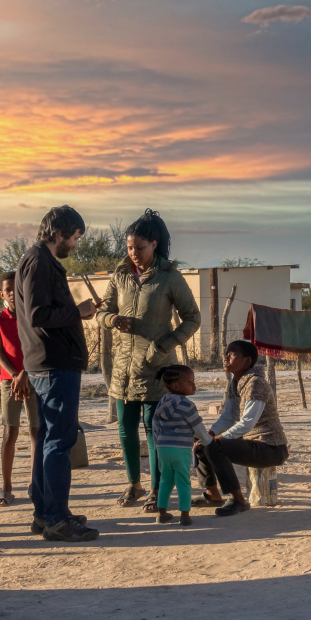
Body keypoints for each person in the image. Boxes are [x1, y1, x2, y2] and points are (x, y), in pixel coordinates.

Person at [98, 210, 202, 509]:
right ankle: (133, 485)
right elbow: (102, 311)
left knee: (154, 429)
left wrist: (163, 347)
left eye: (139, 248)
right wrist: (112, 319)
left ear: (154, 245)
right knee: (125, 428)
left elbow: (192, 318)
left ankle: (157, 490)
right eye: (129, 247)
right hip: (123, 367)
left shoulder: (170, 277)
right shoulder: (120, 275)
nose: (134, 254)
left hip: (156, 367)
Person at [16, 204, 99, 543]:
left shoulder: (36, 259)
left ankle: (45, 512)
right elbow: (38, 314)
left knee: (49, 440)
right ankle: (56, 519)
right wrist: (76, 312)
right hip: (53, 365)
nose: (75, 244)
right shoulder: (39, 261)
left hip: (47, 363)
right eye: (75, 237)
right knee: (59, 443)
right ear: (59, 233)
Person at [197, 339, 288, 517]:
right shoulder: (235, 382)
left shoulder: (256, 383)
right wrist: (211, 433)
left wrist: (216, 440)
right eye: (226, 354)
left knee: (213, 446)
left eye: (232, 355)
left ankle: (238, 499)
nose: (225, 358)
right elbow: (228, 416)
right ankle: (212, 494)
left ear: (246, 361)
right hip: (252, 443)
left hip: (271, 447)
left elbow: (247, 423)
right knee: (201, 441)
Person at [0, 270, 39, 507]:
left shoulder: (33, 315)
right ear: (2, 294)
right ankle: (6, 487)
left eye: (16, 289)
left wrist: (26, 374)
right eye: (8, 290)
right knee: (10, 432)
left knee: (37, 431)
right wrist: (16, 376)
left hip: (34, 377)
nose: (12, 294)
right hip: (10, 381)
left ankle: (34, 483)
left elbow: (37, 348)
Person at [149, 364, 211, 525]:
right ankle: (184, 515)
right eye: (190, 382)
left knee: (165, 480)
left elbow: (155, 425)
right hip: (181, 448)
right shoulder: (187, 405)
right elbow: (198, 428)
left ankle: (161, 514)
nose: (194, 385)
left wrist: (157, 444)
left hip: (163, 448)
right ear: (176, 385)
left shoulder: (163, 401)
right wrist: (207, 441)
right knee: (183, 481)